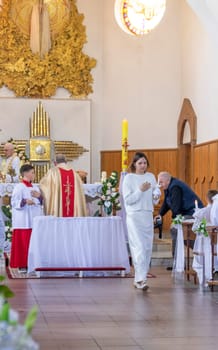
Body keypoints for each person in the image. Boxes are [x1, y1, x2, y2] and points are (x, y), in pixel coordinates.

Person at [122, 152, 160, 290]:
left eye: (145, 163)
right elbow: (128, 200)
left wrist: (156, 195)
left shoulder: (150, 177)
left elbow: (154, 199)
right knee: (138, 247)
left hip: (147, 214)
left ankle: (140, 279)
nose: (143, 165)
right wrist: (140, 190)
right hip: (134, 216)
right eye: (140, 163)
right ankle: (141, 280)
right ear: (134, 164)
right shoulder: (129, 179)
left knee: (147, 248)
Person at [155, 171, 204, 270]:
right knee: (181, 235)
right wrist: (160, 214)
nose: (159, 185)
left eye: (161, 182)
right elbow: (167, 202)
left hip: (193, 213)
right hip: (186, 213)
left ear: (168, 180)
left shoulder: (175, 187)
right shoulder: (169, 186)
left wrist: (175, 222)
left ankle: (179, 263)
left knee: (177, 231)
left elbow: (176, 206)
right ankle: (178, 262)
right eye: (158, 182)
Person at [10, 164, 43, 272]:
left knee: (33, 242)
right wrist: (24, 201)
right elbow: (13, 202)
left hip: (34, 218)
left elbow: (41, 202)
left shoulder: (35, 187)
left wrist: (39, 197)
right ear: (26, 173)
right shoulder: (19, 187)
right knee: (23, 243)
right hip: (23, 220)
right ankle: (22, 264)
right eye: (32, 172)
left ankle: (33, 263)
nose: (34, 175)